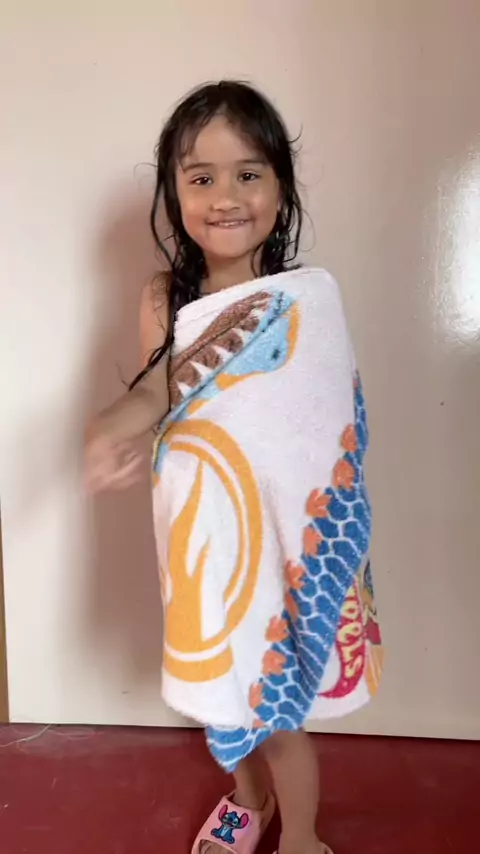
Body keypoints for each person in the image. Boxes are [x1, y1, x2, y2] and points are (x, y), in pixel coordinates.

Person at [86, 81, 382, 854]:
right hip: (209, 538)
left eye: (248, 174)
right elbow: (160, 385)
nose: (225, 196)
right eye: (201, 177)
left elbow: (322, 430)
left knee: (277, 714)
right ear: (174, 191)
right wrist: (114, 424)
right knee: (219, 693)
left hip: (282, 545)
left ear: (281, 189)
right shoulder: (166, 296)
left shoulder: (306, 300)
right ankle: (248, 801)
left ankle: (302, 835)